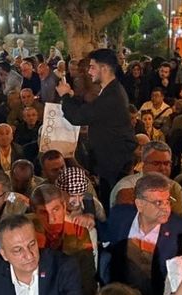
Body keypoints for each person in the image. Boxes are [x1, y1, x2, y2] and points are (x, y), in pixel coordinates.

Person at [103, 172, 182, 295]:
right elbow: (105, 240)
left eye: (168, 201)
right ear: (140, 204)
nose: (166, 208)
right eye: (158, 203)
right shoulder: (119, 216)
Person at [57, 49, 136, 207]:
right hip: (109, 163)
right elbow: (90, 110)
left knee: (111, 206)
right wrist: (72, 98)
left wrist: (65, 96)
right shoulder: (109, 91)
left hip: (114, 164)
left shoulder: (112, 95)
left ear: (104, 69)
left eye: (92, 67)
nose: (89, 71)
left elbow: (79, 117)